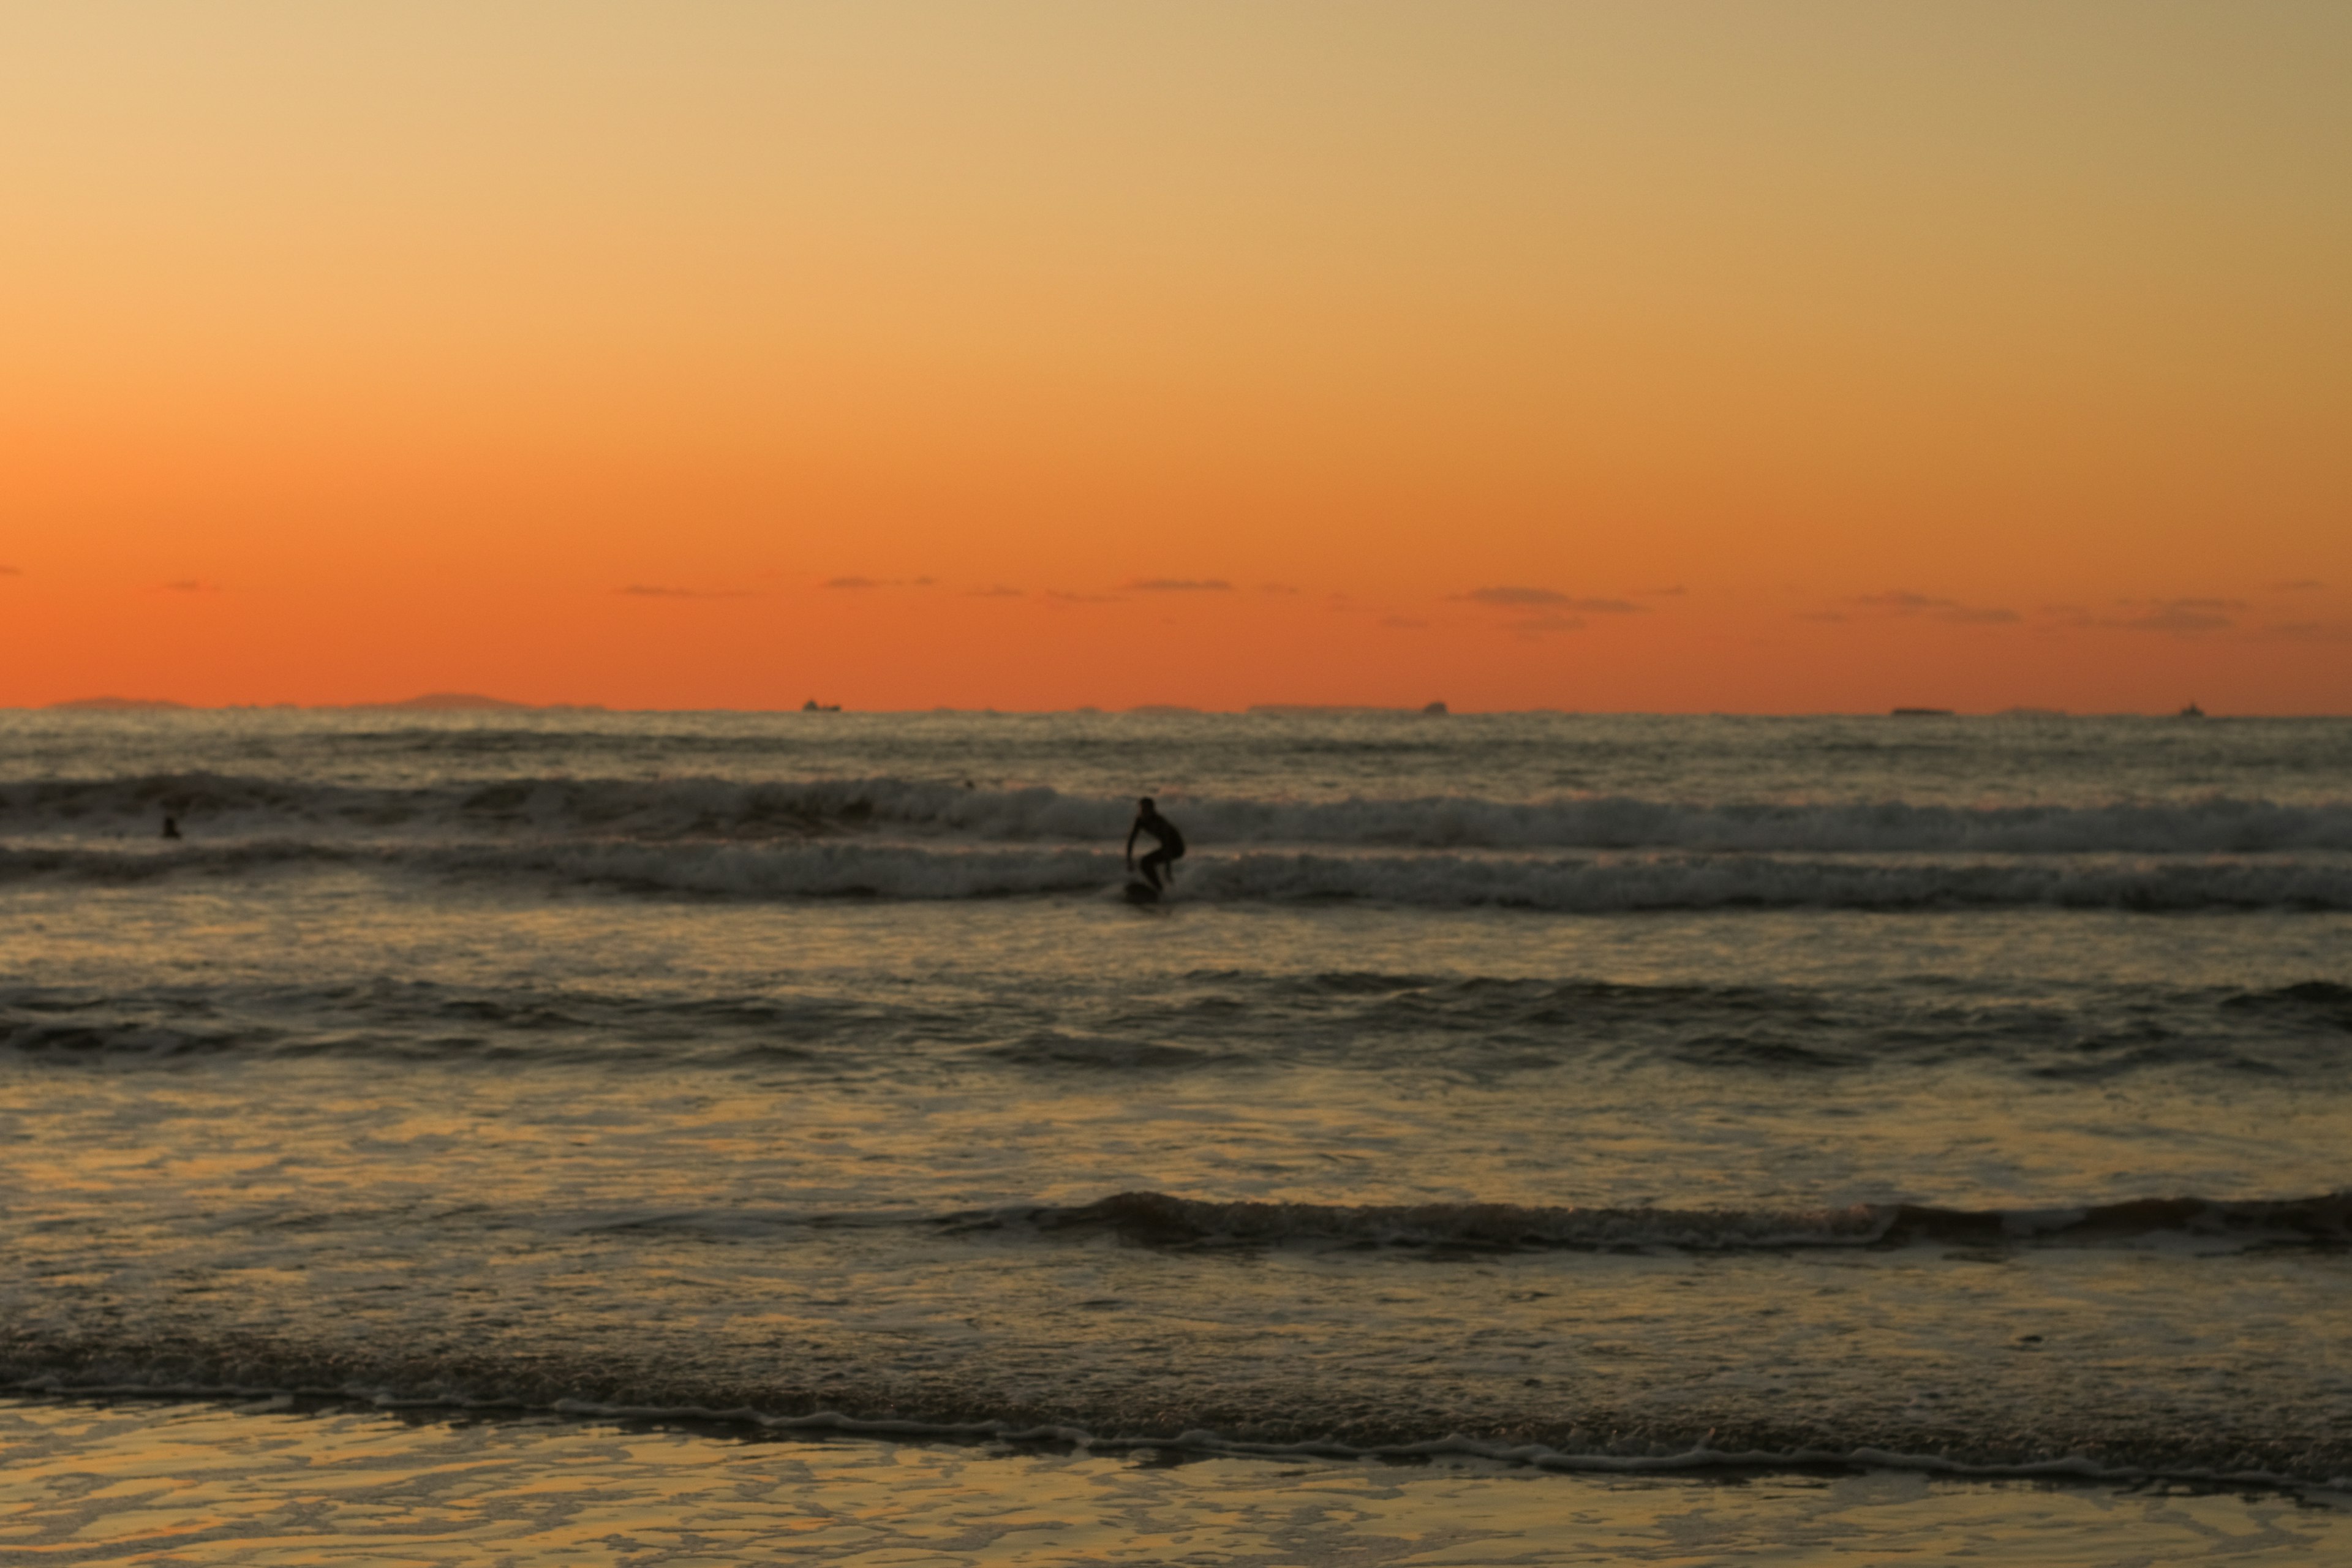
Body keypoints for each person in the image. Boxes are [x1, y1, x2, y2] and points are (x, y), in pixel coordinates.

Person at [1126, 797, 1186, 891]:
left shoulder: (1160, 822)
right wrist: (1129, 860)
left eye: (1146, 809)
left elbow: (1167, 847)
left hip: (1177, 848)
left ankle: (1159, 888)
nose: (1143, 812)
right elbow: (1131, 841)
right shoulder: (1140, 820)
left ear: (1152, 810)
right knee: (1146, 863)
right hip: (1167, 848)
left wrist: (1168, 871)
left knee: (1145, 862)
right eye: (1142, 809)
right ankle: (1157, 886)